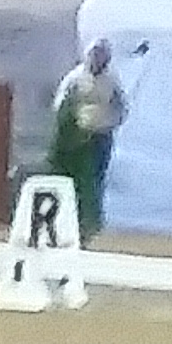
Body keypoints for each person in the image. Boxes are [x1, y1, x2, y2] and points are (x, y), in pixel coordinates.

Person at [58, 38, 126, 238]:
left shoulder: (112, 80)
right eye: (96, 55)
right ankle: (75, 217)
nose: (99, 59)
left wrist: (112, 123)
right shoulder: (76, 78)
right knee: (80, 178)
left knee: (97, 177)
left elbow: (121, 106)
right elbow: (63, 103)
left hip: (101, 135)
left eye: (103, 56)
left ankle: (94, 218)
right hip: (79, 135)